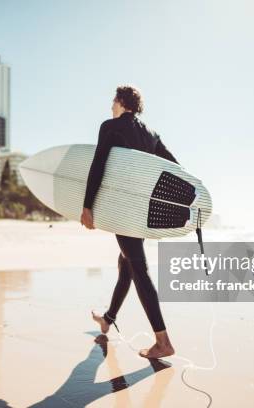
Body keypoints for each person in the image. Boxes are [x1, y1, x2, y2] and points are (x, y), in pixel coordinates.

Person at [81, 85, 177, 359]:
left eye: (113, 101)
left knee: (138, 267)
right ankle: (107, 320)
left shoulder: (110, 127)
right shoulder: (151, 134)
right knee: (126, 264)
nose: (111, 106)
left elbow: (98, 165)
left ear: (121, 102)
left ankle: (163, 341)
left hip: (122, 209)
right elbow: (173, 167)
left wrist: (87, 205)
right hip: (142, 210)